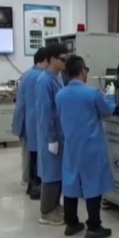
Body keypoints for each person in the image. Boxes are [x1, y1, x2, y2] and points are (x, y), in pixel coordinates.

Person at [55, 55, 117, 238]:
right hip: (91, 146)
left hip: (71, 146)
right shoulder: (91, 93)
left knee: (70, 182)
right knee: (93, 184)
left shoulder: (60, 95)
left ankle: (71, 223)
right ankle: (94, 227)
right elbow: (106, 112)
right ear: (82, 71)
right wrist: (111, 96)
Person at [36, 43, 70, 225]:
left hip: (60, 133)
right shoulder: (44, 81)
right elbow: (46, 112)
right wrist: (52, 138)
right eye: (63, 59)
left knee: (58, 173)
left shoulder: (58, 78)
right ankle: (46, 212)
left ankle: (55, 206)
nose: (66, 62)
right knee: (50, 174)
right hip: (51, 135)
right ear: (52, 60)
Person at [12, 48, 47, 200]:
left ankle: (30, 184)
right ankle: (34, 187)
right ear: (46, 60)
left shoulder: (28, 73)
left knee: (29, 155)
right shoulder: (39, 77)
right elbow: (37, 105)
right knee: (34, 156)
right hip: (32, 122)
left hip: (25, 120)